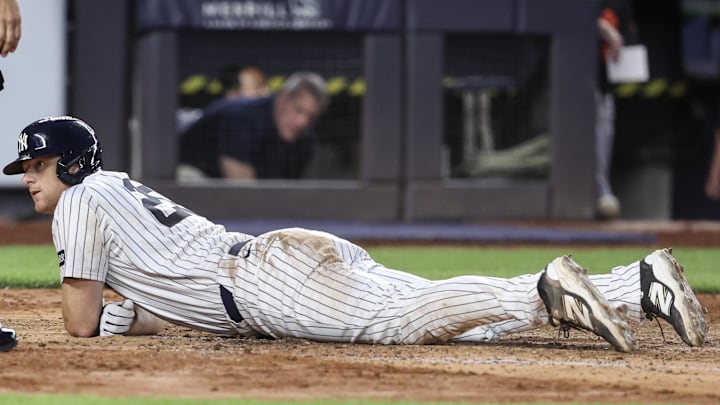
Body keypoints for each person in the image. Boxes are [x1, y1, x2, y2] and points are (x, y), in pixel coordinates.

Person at [3, 117, 708, 351]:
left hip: (264, 282)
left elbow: (76, 322)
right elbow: (157, 301)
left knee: (405, 321)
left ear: (68, 162)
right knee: (452, 322)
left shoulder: (78, 201)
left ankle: (550, 288)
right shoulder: (114, 187)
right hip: (277, 261)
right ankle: (638, 284)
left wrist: (111, 318)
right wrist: (130, 314)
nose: (29, 178)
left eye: (36, 165)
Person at [178, 71, 327, 180]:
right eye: (298, 110)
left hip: (231, 191)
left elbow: (286, 191)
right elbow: (241, 187)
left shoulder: (304, 139)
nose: (303, 122)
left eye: (310, 116)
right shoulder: (242, 117)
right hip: (188, 175)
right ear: (283, 99)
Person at [595, 0, 638, 219]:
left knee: (603, 136)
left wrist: (616, 39)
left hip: (602, 87)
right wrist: (600, 26)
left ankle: (601, 192)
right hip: (568, 87)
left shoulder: (620, 3)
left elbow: (630, 41)